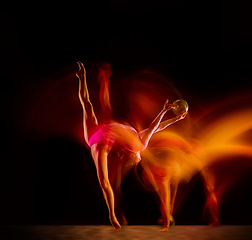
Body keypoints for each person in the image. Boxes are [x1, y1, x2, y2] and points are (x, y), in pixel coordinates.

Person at [76, 61, 187, 231]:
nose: (137, 158)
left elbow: (154, 128)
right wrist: (172, 117)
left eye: (135, 159)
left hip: (98, 138)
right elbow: (155, 128)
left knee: (88, 106)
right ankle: (82, 77)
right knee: (89, 106)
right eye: (136, 159)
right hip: (104, 135)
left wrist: (166, 113)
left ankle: (112, 215)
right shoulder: (138, 142)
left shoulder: (133, 146)